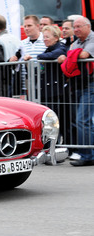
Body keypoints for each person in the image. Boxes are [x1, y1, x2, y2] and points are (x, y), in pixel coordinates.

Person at [58, 17, 94, 166]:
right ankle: (87, 152)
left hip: (90, 85)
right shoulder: (76, 43)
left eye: (79, 27)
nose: (76, 29)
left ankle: (87, 155)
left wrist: (70, 56)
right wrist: (72, 55)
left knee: (82, 120)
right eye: (75, 27)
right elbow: (73, 56)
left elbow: (84, 55)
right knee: (82, 121)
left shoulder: (92, 39)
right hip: (79, 85)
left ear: (88, 26)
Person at [37, 26, 67, 142]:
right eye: (43, 37)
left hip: (56, 92)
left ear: (56, 38)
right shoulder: (48, 49)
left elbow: (48, 56)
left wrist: (40, 57)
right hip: (48, 91)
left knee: (57, 122)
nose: (45, 39)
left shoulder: (60, 48)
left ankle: (60, 146)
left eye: (47, 37)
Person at [9, 15, 47, 95]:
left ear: (37, 26)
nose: (26, 28)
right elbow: (16, 65)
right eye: (25, 26)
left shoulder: (46, 40)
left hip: (43, 87)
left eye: (29, 26)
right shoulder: (21, 43)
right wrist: (12, 60)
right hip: (24, 88)